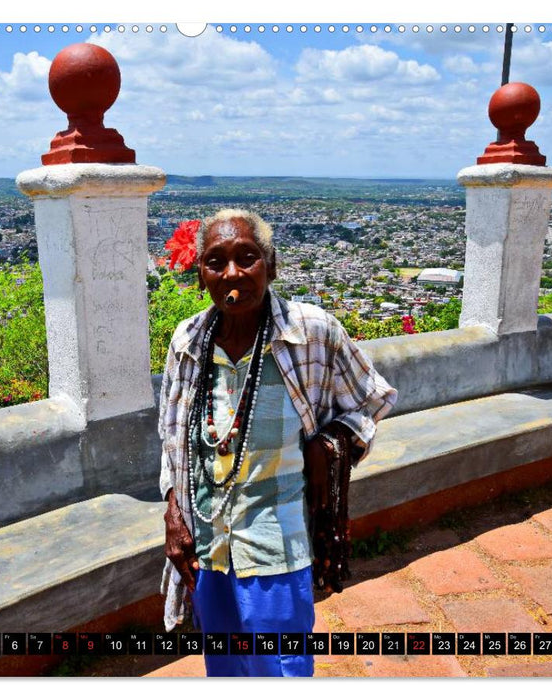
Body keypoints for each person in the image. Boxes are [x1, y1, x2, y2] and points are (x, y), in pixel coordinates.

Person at [158, 209, 397, 676]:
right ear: (200, 273)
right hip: (208, 545)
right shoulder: (188, 341)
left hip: (277, 544)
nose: (232, 274)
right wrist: (172, 512)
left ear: (271, 265)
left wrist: (332, 443)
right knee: (225, 667)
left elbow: (372, 399)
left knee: (280, 669)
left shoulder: (310, 334)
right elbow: (169, 436)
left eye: (247, 258)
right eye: (215, 261)